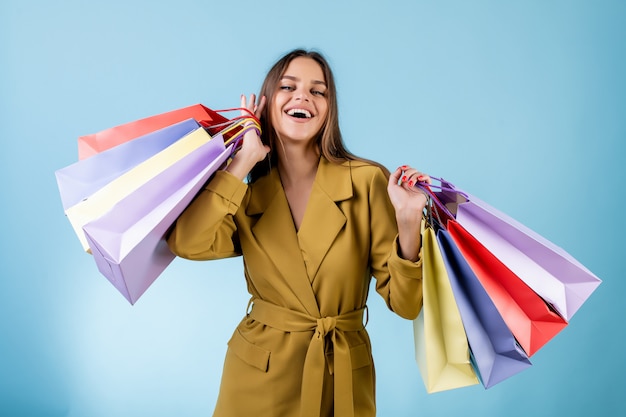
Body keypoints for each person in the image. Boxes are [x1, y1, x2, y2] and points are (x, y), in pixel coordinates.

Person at [167, 49, 430, 417]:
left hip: (340, 378)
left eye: (318, 91)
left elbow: (406, 304)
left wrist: (407, 221)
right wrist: (242, 159)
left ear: (329, 109)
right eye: (288, 86)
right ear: (266, 104)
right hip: (258, 376)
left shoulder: (368, 181)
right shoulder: (244, 193)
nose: (303, 97)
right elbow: (187, 242)